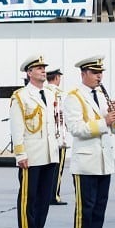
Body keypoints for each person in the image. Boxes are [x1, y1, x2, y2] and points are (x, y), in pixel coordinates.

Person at [62, 56, 115, 228]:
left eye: (100, 72)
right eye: (95, 73)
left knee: (99, 210)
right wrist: (104, 122)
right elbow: (76, 129)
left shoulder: (102, 96)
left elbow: (112, 130)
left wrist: (114, 119)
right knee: (85, 210)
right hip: (85, 163)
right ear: (84, 73)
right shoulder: (74, 98)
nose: (99, 76)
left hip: (104, 161)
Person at [9, 55, 61, 228]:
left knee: (44, 196)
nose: (43, 70)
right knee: (28, 196)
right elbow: (17, 127)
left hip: (49, 151)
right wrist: (20, 153)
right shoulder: (21, 96)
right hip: (31, 153)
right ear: (29, 72)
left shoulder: (50, 93)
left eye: (44, 67)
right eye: (38, 68)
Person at [45, 68, 69, 205]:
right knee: (57, 169)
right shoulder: (59, 93)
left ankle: (47, 194)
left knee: (48, 168)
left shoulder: (45, 91)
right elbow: (62, 116)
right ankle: (54, 195)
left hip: (48, 136)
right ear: (57, 78)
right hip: (59, 137)